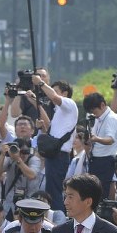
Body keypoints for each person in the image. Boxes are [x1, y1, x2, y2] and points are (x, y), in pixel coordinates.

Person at [32, 76, 78, 211]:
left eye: (56, 90)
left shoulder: (69, 104)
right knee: (51, 189)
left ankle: (58, 219)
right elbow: (54, 135)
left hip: (60, 155)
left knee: (54, 191)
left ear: (65, 93)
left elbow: (55, 98)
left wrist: (41, 83)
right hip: (54, 154)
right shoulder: (59, 111)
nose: (52, 92)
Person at [83, 92, 117, 196]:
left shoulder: (111, 118)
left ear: (102, 105)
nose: (93, 114)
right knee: (92, 190)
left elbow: (110, 139)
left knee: (100, 191)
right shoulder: (98, 119)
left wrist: (96, 139)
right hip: (96, 158)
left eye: (94, 111)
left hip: (105, 160)